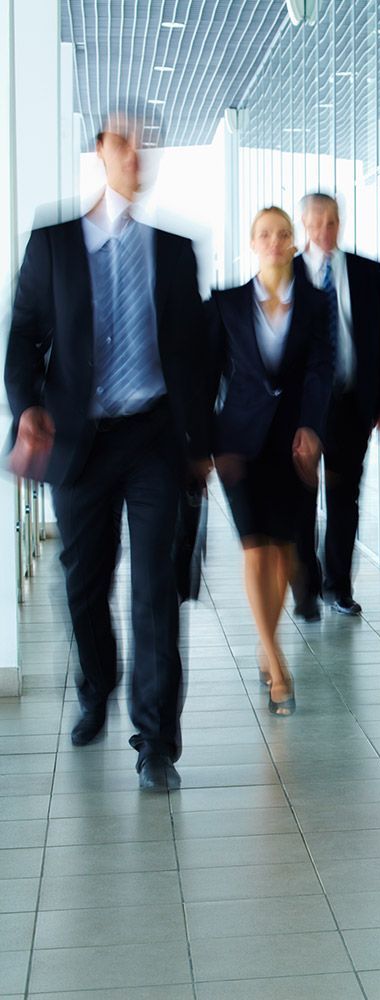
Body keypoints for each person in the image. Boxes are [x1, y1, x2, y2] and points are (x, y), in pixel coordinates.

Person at [4, 108, 211, 790]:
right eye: (123, 141)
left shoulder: (174, 251)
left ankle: (157, 742)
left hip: (152, 437)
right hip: (80, 444)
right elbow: (23, 340)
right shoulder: (54, 244)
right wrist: (29, 407)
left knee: (154, 590)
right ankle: (97, 684)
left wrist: (200, 445)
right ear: (99, 150)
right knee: (83, 586)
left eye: (145, 143)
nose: (135, 153)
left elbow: (196, 356)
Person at [208, 207, 334, 717]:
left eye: (284, 233)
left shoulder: (316, 304)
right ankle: (276, 664)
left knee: (285, 553)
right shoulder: (226, 304)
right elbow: (209, 373)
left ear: (293, 241)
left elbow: (323, 370)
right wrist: (205, 442)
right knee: (256, 550)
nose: (276, 241)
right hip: (240, 444)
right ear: (253, 242)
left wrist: (314, 427)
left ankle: (267, 641)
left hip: (294, 445)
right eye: (266, 234)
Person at [291, 192, 380, 620]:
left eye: (333, 221)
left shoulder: (367, 272)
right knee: (301, 500)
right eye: (317, 222)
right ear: (304, 223)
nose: (326, 230)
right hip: (301, 412)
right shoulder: (288, 274)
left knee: (344, 498)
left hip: (351, 403)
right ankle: (306, 585)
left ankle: (338, 586)